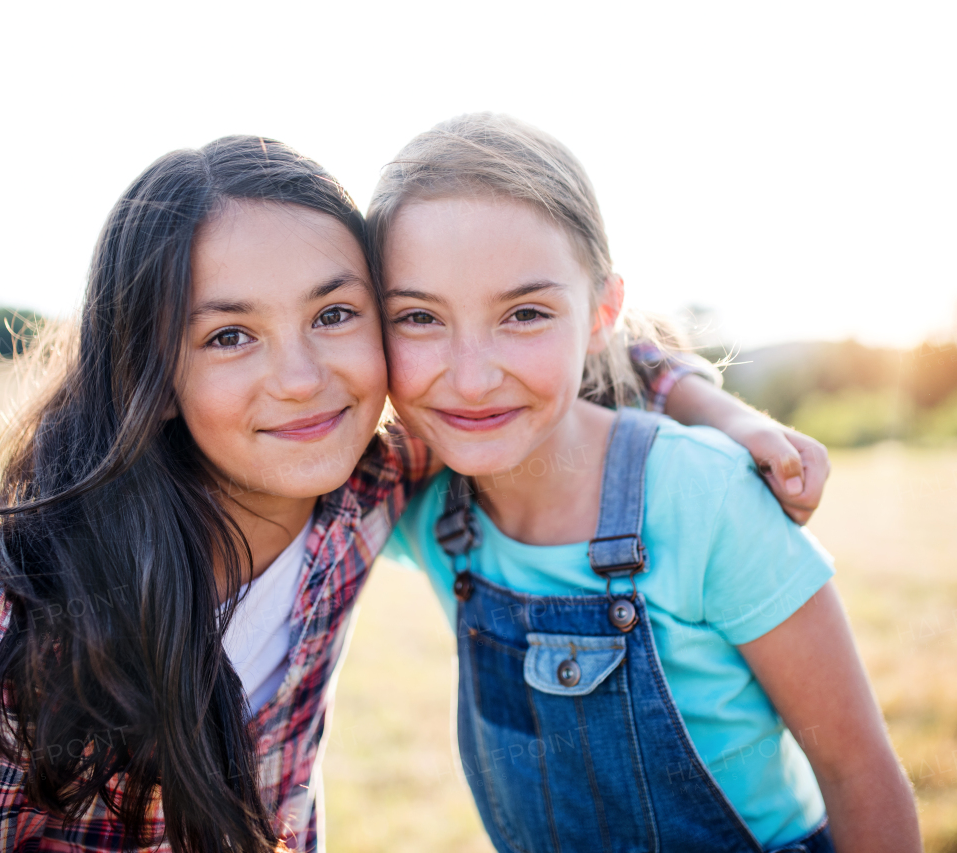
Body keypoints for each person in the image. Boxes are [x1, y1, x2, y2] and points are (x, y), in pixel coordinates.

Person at [0, 134, 830, 852]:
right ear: (148, 369)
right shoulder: (18, 623)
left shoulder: (363, 487)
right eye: (229, 333)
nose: (302, 377)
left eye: (333, 313)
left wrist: (715, 407)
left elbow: (546, 343)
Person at [374, 114, 921, 852]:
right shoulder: (422, 506)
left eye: (526, 313)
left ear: (602, 311)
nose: (471, 377)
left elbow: (860, 775)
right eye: (418, 316)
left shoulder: (706, 494)